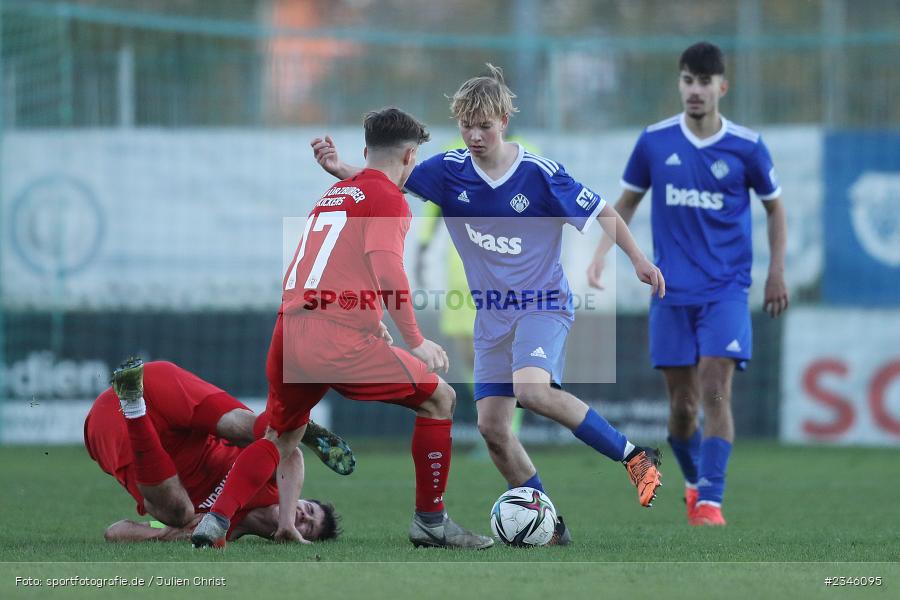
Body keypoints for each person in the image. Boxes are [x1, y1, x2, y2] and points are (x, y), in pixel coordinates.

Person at [311, 66, 666, 544]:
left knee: (534, 391)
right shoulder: (448, 170)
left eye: (485, 125)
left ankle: (635, 456)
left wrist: (640, 261)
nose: (475, 136)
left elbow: (602, 209)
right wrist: (341, 172)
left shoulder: (538, 174)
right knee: (492, 428)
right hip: (491, 314)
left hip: (543, 303)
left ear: (504, 119)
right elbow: (385, 178)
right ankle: (549, 523)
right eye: (466, 125)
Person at [192, 107, 493, 550]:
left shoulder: (335, 195)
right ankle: (431, 522)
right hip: (333, 338)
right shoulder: (390, 200)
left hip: (289, 332)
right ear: (411, 156)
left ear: (367, 150)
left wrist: (371, 321)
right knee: (440, 398)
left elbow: (338, 269)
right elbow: (388, 271)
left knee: (281, 435)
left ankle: (216, 521)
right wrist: (416, 340)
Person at [586, 42, 789, 526]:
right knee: (682, 407)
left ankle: (712, 502)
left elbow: (775, 207)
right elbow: (627, 203)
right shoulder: (655, 142)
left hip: (726, 290)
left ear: (722, 86)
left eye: (704, 81)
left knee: (716, 389)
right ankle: (695, 485)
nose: (694, 90)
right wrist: (599, 255)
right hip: (670, 292)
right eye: (686, 80)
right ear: (679, 84)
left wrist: (776, 270)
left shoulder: (747, 146)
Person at [84, 358, 342, 544]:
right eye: (308, 509)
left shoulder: (216, 533)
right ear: (299, 497)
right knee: (261, 435)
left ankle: (133, 407)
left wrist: (168, 534)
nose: (302, 517)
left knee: (179, 514)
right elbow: (292, 455)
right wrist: (286, 523)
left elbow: (116, 532)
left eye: (307, 528)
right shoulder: (272, 482)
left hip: (111, 425)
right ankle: (288, 424)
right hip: (164, 391)